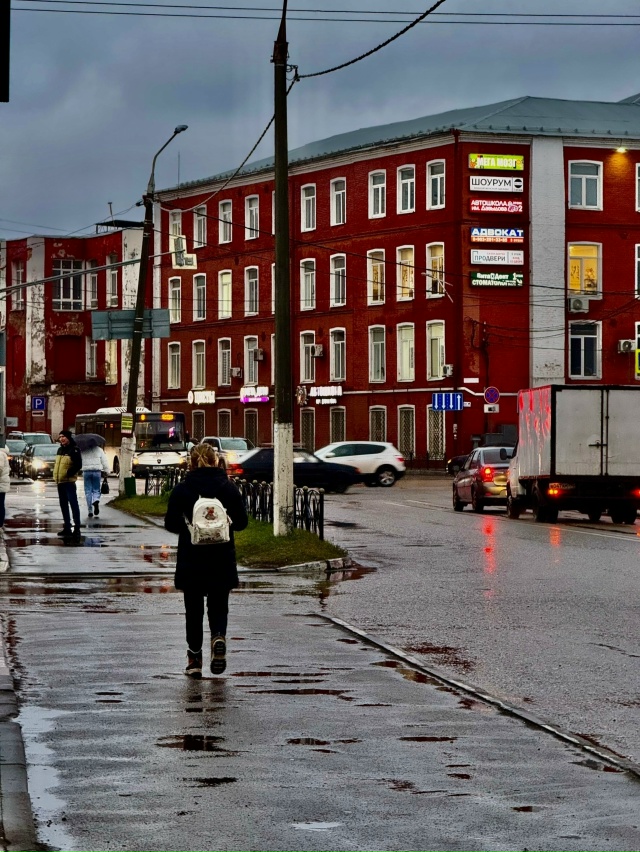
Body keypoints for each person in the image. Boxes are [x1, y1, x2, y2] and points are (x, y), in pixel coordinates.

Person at [164, 443, 248, 678]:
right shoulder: (228, 488)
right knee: (219, 605)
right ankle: (218, 637)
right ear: (215, 461)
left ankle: (194, 659)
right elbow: (242, 523)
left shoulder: (183, 489)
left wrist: (190, 529)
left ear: (191, 463)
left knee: (193, 609)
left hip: (192, 558)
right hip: (221, 557)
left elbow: (170, 523)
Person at [53, 430, 83, 539]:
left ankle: (77, 528)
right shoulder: (60, 449)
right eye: (60, 437)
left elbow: (78, 464)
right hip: (60, 482)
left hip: (69, 482)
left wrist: (68, 473)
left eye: (63, 437)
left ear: (69, 438)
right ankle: (67, 527)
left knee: (73, 504)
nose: (61, 439)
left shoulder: (74, 450)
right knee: (63, 505)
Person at [80, 438, 110, 518]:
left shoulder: (83, 450)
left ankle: (90, 510)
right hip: (97, 472)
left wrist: (79, 469)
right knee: (96, 489)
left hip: (86, 472)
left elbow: (79, 461)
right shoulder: (99, 450)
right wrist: (107, 471)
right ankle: (96, 500)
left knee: (88, 491)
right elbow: (104, 461)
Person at [0, 445, 10, 530]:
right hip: (2, 483)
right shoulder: (2, 453)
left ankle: (0, 524)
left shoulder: (0, 454)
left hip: (0, 484)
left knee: (0, 505)